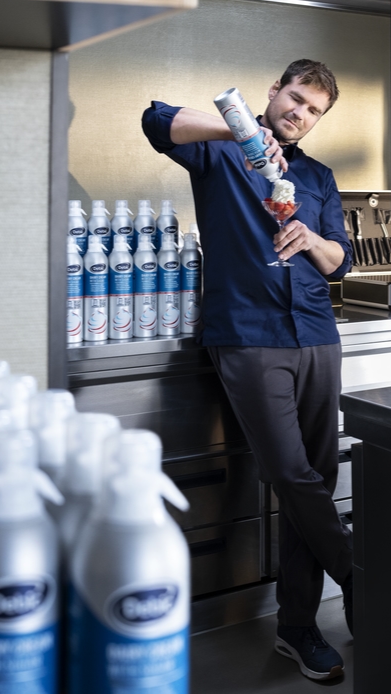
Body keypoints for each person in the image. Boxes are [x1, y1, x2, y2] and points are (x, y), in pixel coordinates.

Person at [141, 59, 354, 681]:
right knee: (290, 474)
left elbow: (339, 261)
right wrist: (241, 133)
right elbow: (155, 120)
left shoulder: (316, 174)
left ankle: (296, 628)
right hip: (247, 334)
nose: (300, 114)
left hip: (315, 333)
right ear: (273, 91)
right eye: (295, 99)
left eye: (313, 109)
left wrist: (311, 241)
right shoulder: (223, 151)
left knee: (314, 476)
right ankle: (363, 575)